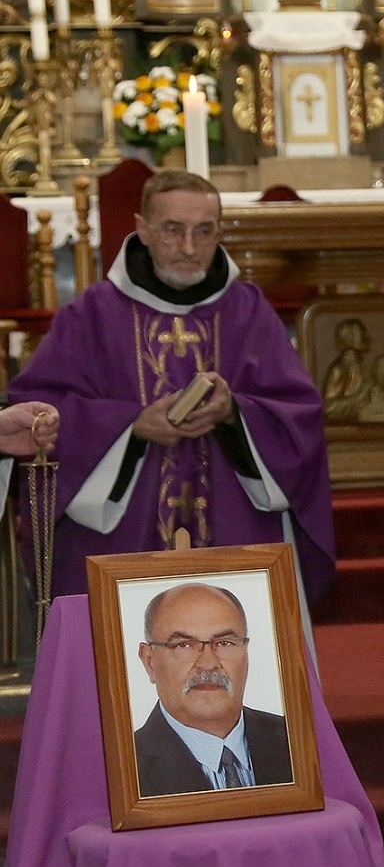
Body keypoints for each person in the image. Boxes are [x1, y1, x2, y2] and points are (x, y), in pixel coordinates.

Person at [7, 170, 336, 603]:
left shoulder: (247, 311)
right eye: (172, 230)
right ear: (142, 230)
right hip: (122, 538)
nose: (189, 247)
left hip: (234, 525)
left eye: (204, 231)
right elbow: (38, 411)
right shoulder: (92, 314)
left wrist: (234, 412)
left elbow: (298, 415)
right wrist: (131, 426)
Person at [134, 582, 291, 797]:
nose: (208, 664)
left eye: (225, 643)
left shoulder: (296, 741)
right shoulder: (122, 768)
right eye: (183, 645)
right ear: (149, 662)